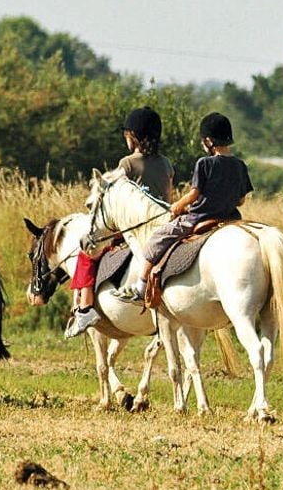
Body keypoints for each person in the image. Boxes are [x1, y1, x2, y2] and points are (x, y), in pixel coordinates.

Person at [113, 112, 253, 303]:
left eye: (204, 141)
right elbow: (241, 200)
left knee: (158, 238)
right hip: (232, 217)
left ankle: (141, 287)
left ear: (209, 141)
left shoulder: (204, 163)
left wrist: (178, 205)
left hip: (200, 217)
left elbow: (194, 194)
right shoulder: (240, 165)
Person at [63, 106, 175, 337]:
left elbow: (116, 198)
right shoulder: (166, 163)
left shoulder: (128, 163)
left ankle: (84, 308)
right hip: (162, 224)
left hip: (134, 228)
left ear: (132, 136)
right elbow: (168, 197)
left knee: (88, 251)